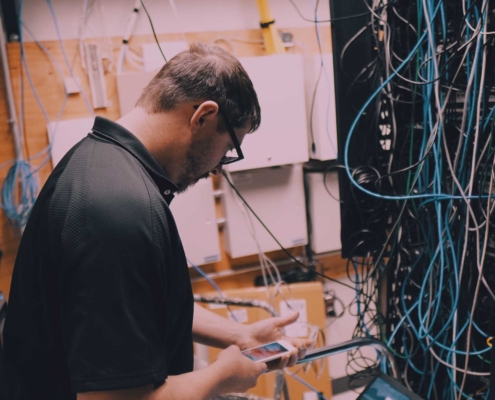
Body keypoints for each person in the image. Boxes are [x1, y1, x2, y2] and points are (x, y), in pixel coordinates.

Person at [2, 42, 312, 400]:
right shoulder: (117, 210)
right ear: (203, 117)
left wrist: (239, 335)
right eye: (228, 150)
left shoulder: (100, 163)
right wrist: (220, 377)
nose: (216, 169)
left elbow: (133, 310)